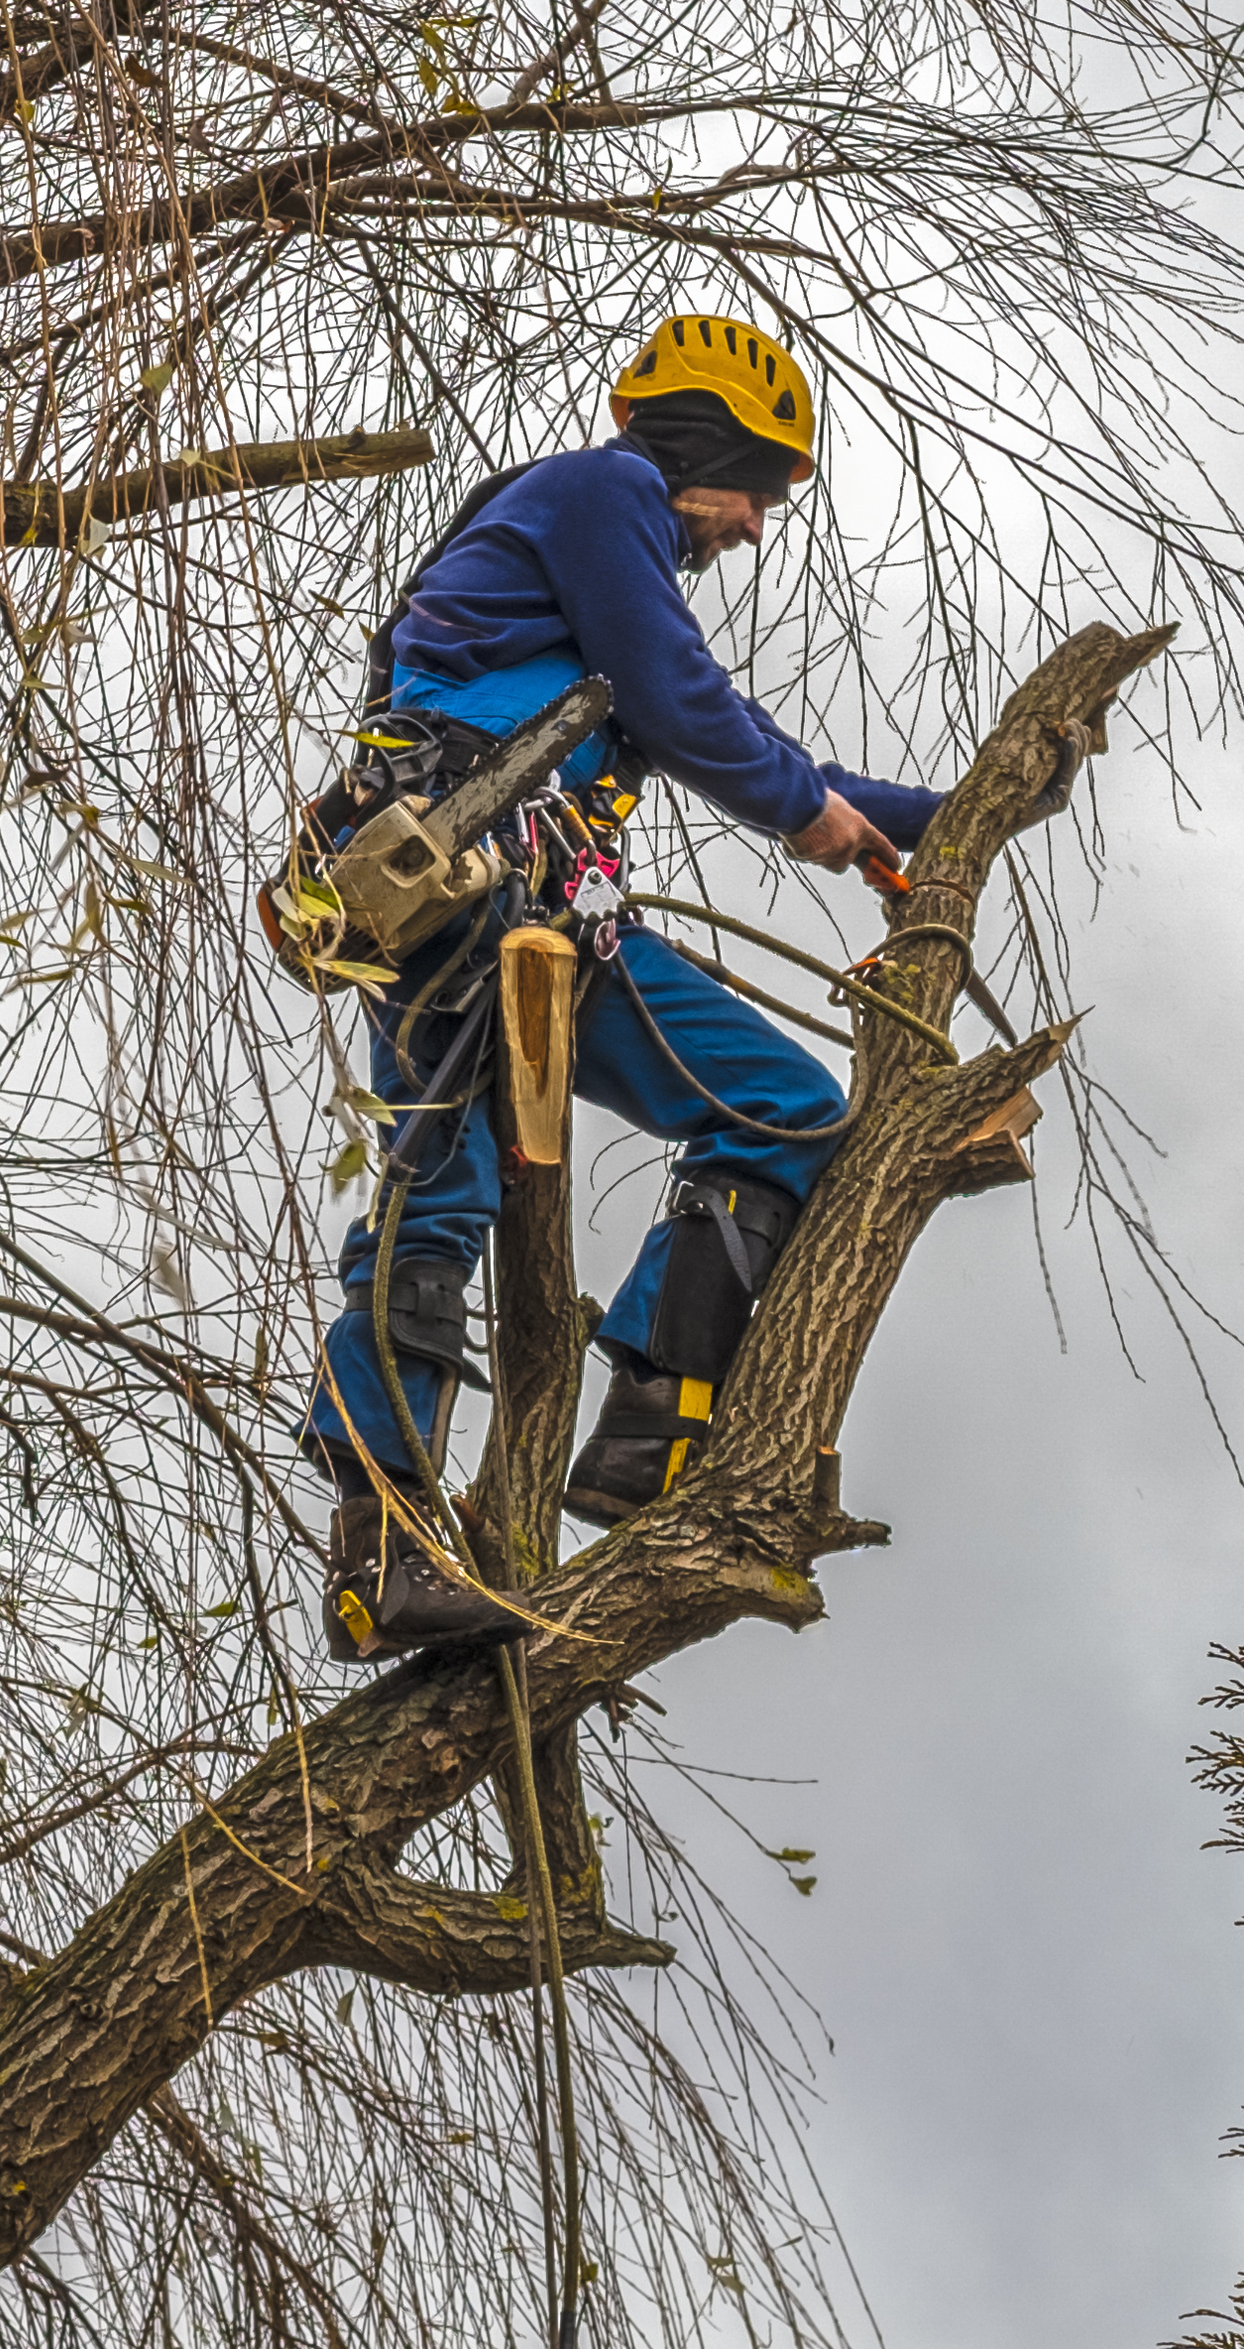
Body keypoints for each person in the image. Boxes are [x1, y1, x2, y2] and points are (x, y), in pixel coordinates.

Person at [298, 315, 941, 1660]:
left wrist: (945, 812)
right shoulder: (602, 495)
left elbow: (733, 729)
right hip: (462, 896)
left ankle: (649, 1429)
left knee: (785, 1108)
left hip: (554, 924)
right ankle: (387, 1559)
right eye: (761, 488)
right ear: (708, 442)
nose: (758, 526)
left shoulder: (614, 562)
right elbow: (684, 699)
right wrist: (809, 816)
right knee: (442, 1188)